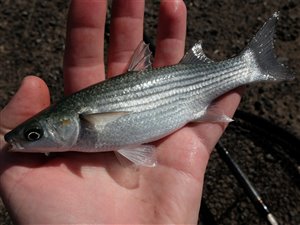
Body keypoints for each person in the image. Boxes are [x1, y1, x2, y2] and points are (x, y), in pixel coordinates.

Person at [0, 0, 242, 224]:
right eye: (33, 136)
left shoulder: (80, 130)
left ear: (68, 121)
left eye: (33, 135)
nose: (26, 142)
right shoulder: (72, 138)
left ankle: (249, 65)